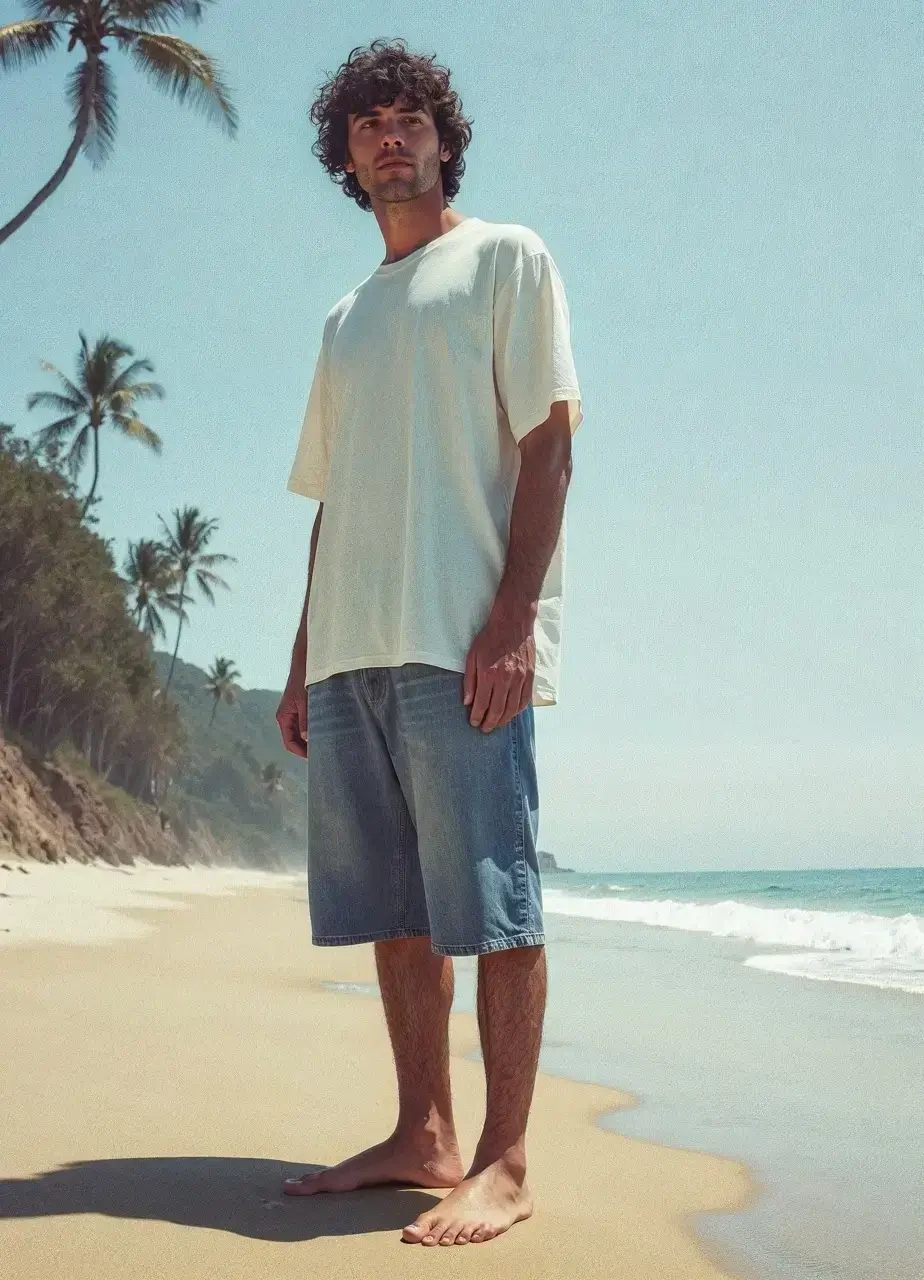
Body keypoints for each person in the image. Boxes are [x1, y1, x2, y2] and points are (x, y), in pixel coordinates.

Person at [275, 38, 582, 1247]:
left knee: (493, 902)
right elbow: (332, 498)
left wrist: (514, 621)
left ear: (444, 140)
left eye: (409, 118)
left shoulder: (507, 258)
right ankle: (424, 1131)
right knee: (397, 910)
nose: (389, 136)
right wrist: (301, 658)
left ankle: (506, 1158)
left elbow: (550, 445)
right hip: (351, 651)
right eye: (367, 125)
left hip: (462, 643)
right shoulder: (345, 318)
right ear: (346, 160)